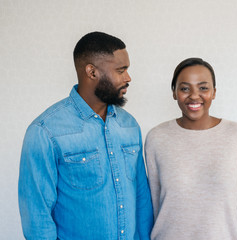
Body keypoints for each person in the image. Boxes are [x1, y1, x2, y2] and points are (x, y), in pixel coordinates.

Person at [18, 32, 153, 239]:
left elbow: (141, 198)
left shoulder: (129, 125)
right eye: (121, 70)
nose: (128, 78)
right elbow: (37, 216)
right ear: (91, 72)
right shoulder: (45, 131)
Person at [145, 57, 237, 240]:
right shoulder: (157, 138)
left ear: (214, 92)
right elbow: (153, 205)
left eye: (203, 88)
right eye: (184, 88)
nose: (194, 95)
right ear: (174, 93)